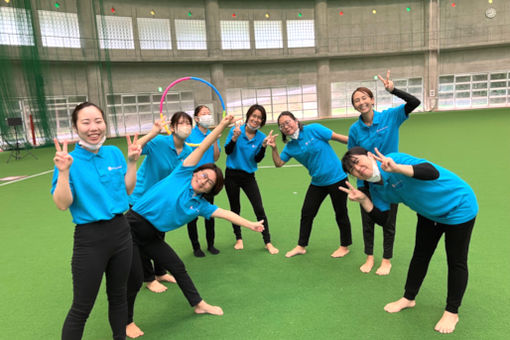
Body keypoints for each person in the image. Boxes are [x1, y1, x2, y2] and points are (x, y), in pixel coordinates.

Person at [125, 115, 264, 339]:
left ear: (210, 190)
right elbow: (205, 144)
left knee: (178, 267)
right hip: (130, 227)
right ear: (196, 171)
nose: (202, 180)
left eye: (208, 182)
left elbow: (226, 214)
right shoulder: (183, 172)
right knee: (133, 279)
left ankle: (198, 304)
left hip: (151, 235)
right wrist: (221, 126)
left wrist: (251, 225)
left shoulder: (199, 205)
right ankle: (127, 322)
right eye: (203, 175)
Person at [340, 147, 477, 334]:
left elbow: (431, 172)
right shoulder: (374, 187)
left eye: (357, 161)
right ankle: (408, 298)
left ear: (370, 156)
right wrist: (364, 200)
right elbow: (383, 219)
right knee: (420, 255)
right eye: (352, 169)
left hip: (459, 207)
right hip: (428, 213)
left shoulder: (394, 159)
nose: (358, 168)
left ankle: (452, 311)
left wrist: (398, 168)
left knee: (456, 261)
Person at [51, 102, 141, 340]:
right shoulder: (68, 160)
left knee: (118, 296)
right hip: (90, 239)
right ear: (75, 127)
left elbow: (127, 189)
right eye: (86, 122)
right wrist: (63, 172)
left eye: (98, 121)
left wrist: (132, 162)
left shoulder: (113, 153)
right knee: (82, 307)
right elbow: (62, 203)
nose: (94, 127)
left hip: (121, 232)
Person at [348, 70, 421, 275]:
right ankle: (369, 257)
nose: (361, 102)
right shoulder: (355, 129)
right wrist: (361, 185)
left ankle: (386, 259)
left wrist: (393, 90)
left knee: (389, 221)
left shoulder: (390, 117)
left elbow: (414, 102)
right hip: (368, 181)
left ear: (371, 99)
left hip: (391, 178)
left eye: (364, 98)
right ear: (354, 106)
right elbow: (353, 158)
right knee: (367, 219)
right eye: (356, 100)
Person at [266, 111, 351, 258]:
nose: (286, 126)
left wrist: (361, 146)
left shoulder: (314, 129)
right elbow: (279, 163)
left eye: (288, 122)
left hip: (337, 178)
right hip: (317, 182)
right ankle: (301, 246)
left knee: (341, 213)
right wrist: (274, 148)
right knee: (307, 213)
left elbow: (339, 138)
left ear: (296, 120)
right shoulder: (290, 146)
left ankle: (344, 246)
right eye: (281, 126)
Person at [128, 112, 194, 293]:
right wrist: (153, 132)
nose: (185, 126)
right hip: (140, 197)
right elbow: (135, 147)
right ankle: (148, 278)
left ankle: (160, 272)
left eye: (188, 123)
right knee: (142, 238)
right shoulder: (159, 143)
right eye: (181, 123)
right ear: (172, 127)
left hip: (161, 201)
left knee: (159, 233)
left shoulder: (188, 151)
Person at [224, 104, 278, 254]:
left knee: (259, 209)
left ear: (262, 121)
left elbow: (258, 159)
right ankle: (239, 238)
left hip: (248, 177)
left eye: (259, 118)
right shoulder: (235, 131)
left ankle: (268, 242)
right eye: (254, 116)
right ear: (248, 116)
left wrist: (263, 146)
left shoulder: (261, 137)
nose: (256, 119)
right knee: (235, 208)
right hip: (231, 175)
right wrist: (234, 138)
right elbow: (228, 151)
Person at [186, 105, 221, 257]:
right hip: (193, 181)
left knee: (209, 214)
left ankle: (211, 244)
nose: (207, 116)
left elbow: (216, 157)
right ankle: (196, 247)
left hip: (208, 183)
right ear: (196, 118)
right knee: (192, 216)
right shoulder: (190, 135)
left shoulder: (213, 134)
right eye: (203, 114)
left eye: (209, 113)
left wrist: (213, 141)